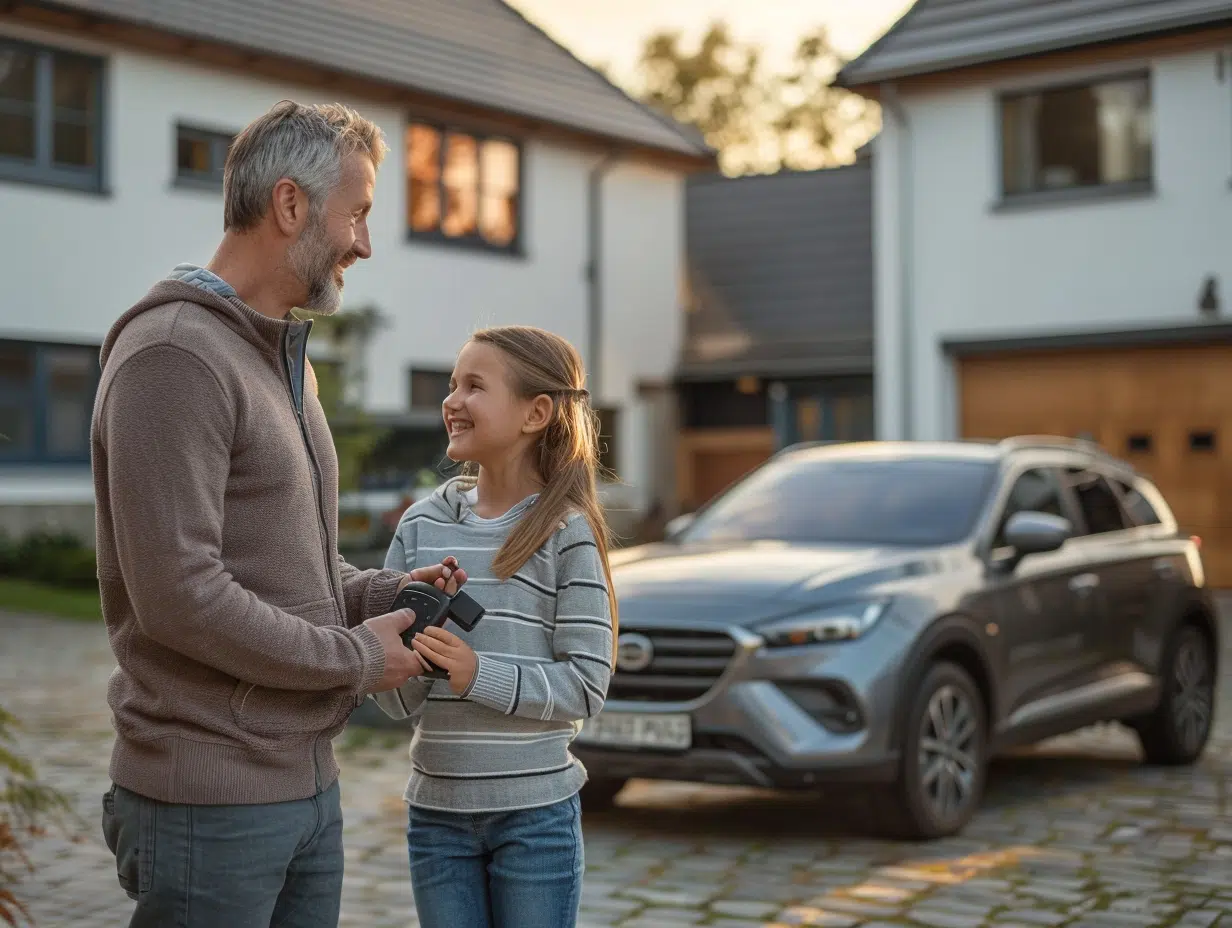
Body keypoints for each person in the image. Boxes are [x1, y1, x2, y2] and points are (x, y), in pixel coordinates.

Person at [91, 99, 466, 927]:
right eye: (358, 215)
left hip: (305, 782)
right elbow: (181, 594)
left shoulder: (282, 364)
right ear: (290, 205)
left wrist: (381, 595)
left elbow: (290, 559)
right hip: (210, 799)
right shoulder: (175, 355)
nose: (365, 244)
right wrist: (355, 661)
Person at [373, 325, 618, 928]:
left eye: (474, 386)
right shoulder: (420, 527)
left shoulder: (566, 532)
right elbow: (395, 701)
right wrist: (404, 661)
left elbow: (586, 685)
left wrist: (478, 673)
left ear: (536, 413)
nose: (451, 400)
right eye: (452, 384)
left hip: (534, 817)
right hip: (436, 817)